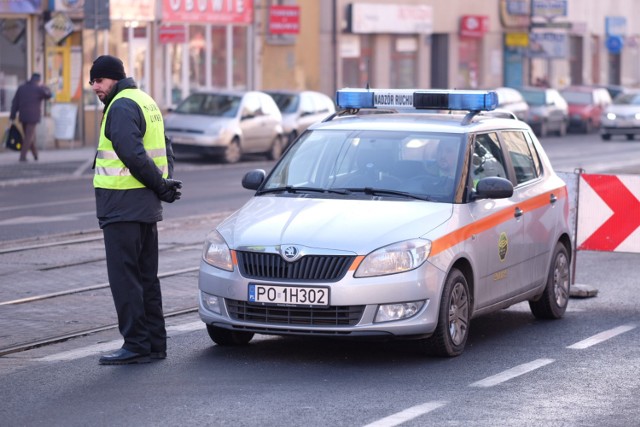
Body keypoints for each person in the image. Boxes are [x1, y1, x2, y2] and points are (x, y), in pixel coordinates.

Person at [89, 55, 183, 365]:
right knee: (146, 277)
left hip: (122, 205)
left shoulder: (121, 106)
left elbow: (132, 154)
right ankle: (155, 343)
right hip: (142, 207)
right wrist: (164, 184)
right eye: (92, 82)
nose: (94, 87)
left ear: (113, 78)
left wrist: (160, 186)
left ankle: (136, 343)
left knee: (125, 278)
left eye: (98, 81)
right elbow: (166, 147)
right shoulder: (146, 101)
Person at [9, 73, 52, 162]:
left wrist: (12, 115)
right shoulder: (38, 89)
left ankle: (35, 154)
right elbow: (49, 95)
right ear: (38, 80)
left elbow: (15, 102)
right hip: (33, 117)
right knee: (28, 137)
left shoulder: (21, 88)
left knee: (28, 136)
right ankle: (22, 156)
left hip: (23, 116)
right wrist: (44, 87)